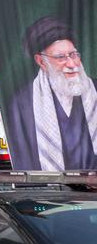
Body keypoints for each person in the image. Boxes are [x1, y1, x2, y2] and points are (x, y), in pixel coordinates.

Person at [6, 15, 97, 170]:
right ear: (41, 61)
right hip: (50, 191)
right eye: (61, 57)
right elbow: (23, 158)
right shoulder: (23, 103)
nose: (72, 64)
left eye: (74, 54)